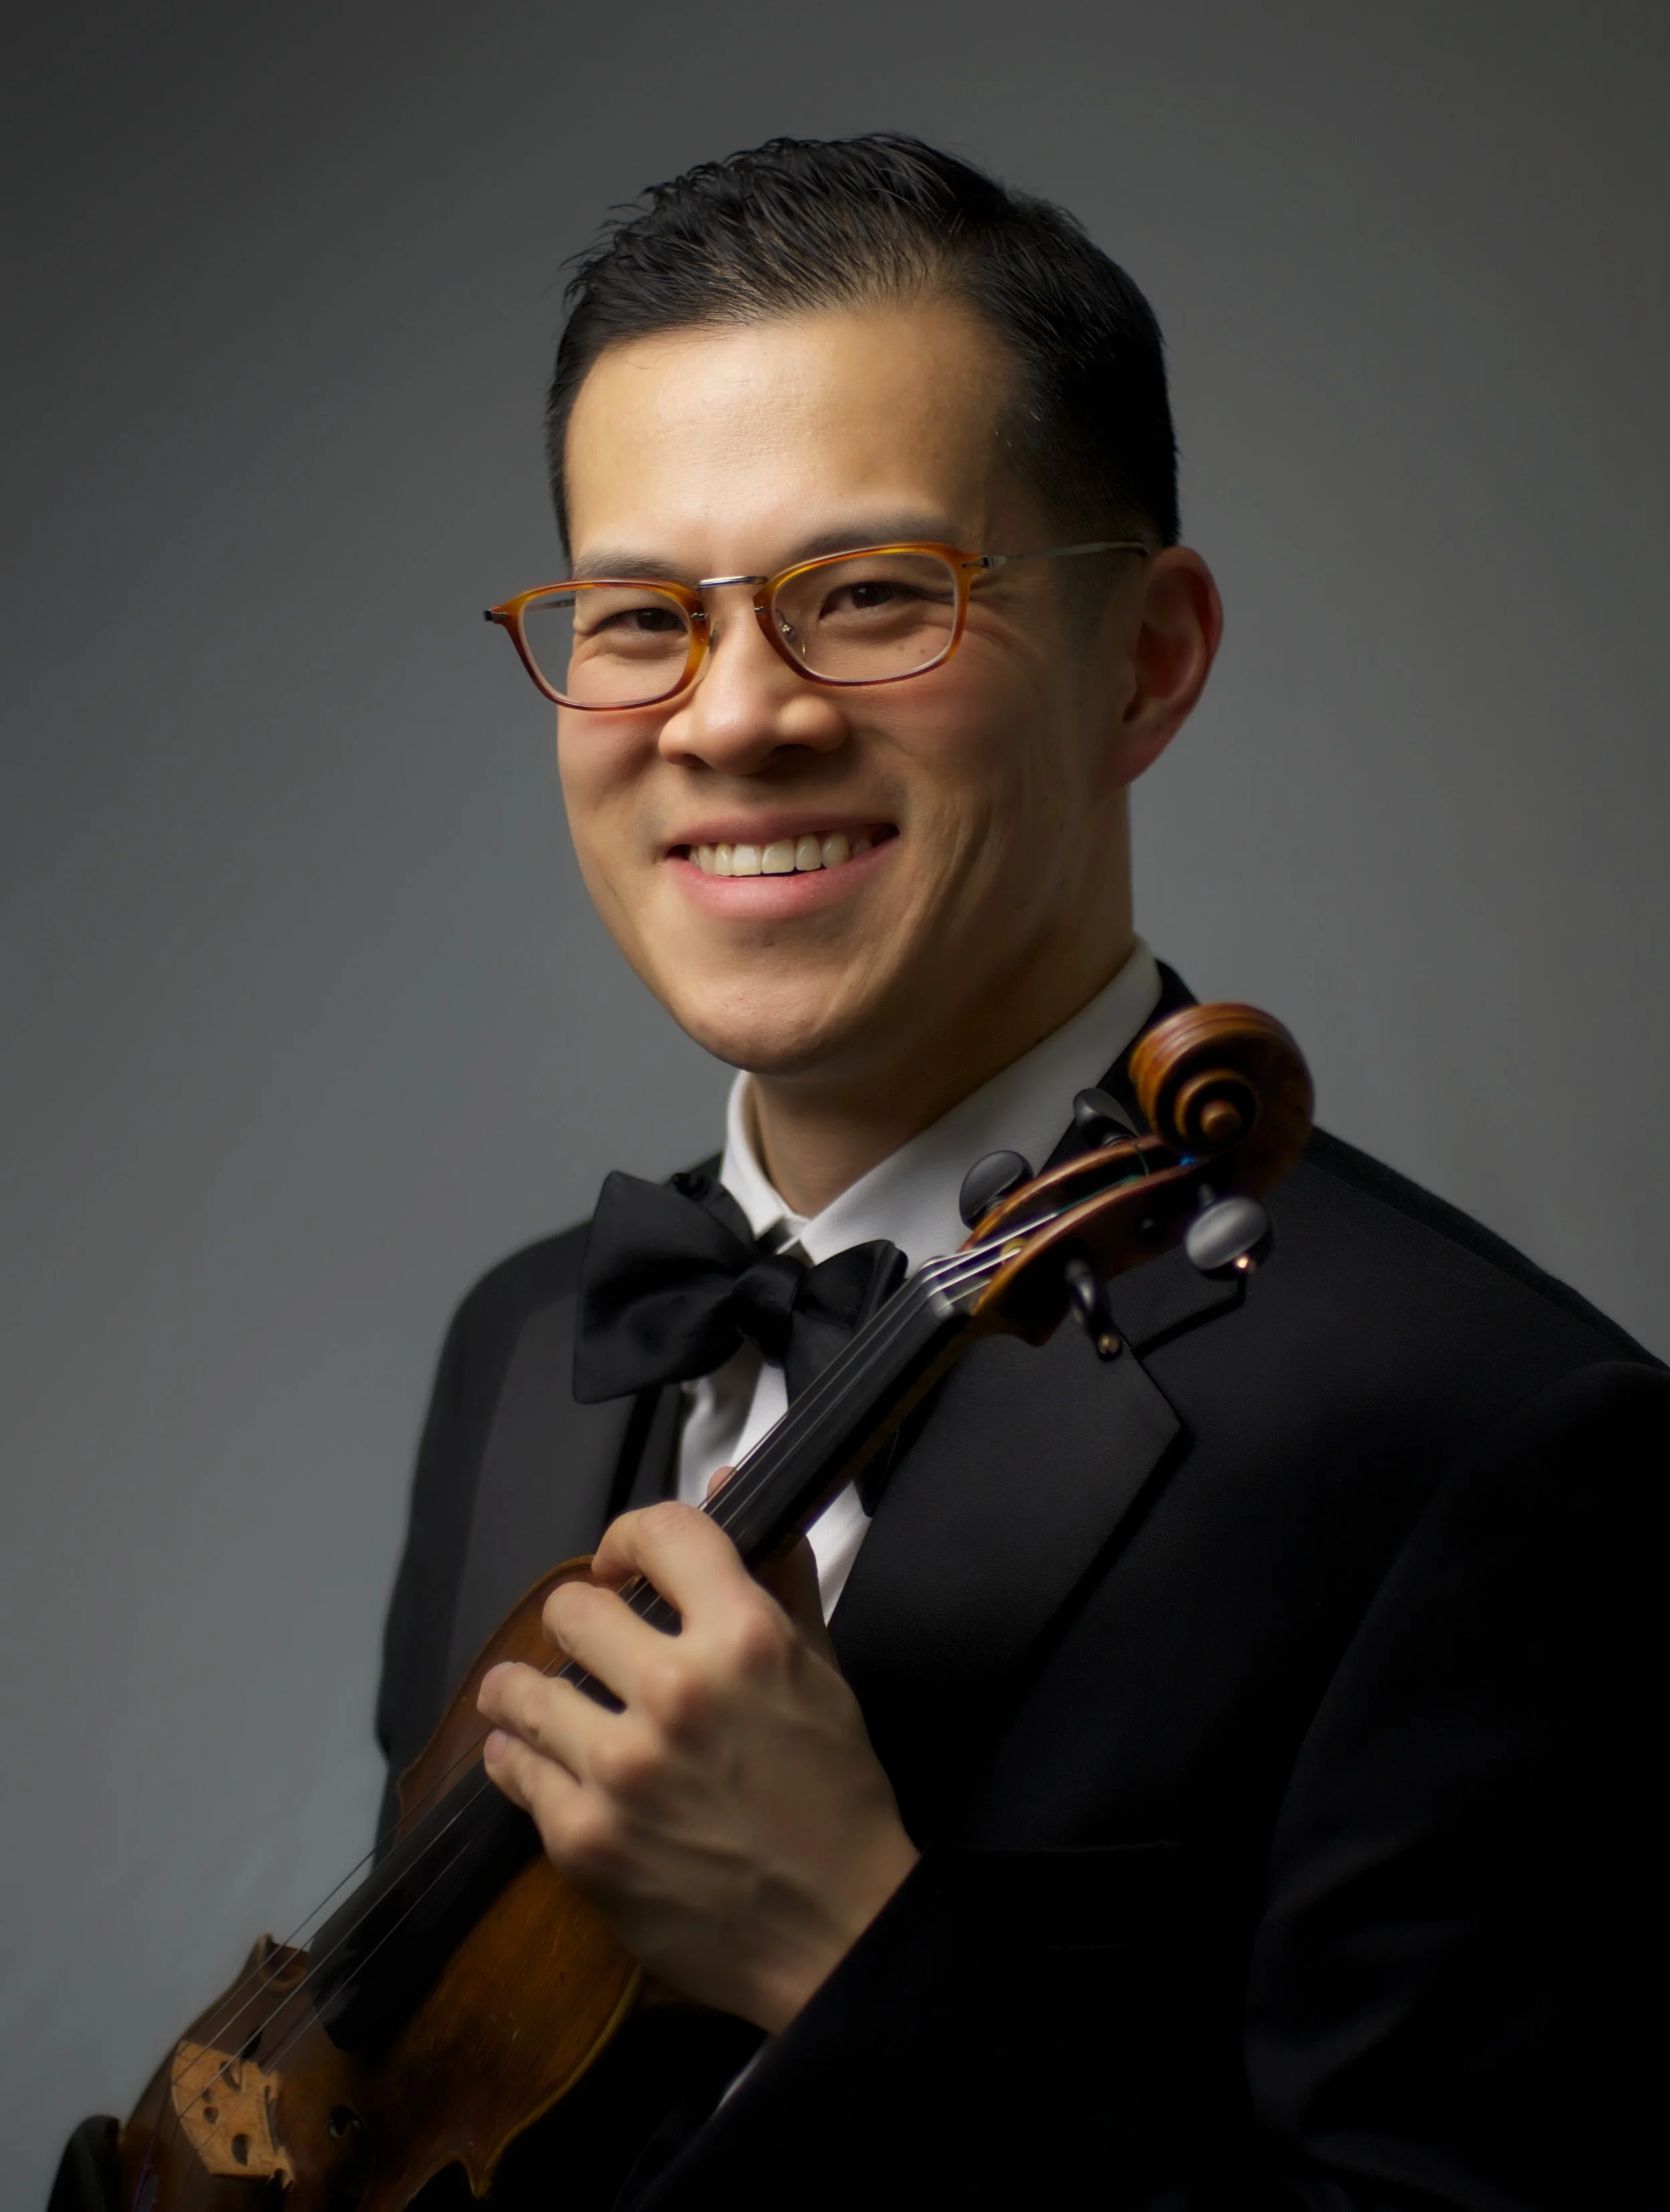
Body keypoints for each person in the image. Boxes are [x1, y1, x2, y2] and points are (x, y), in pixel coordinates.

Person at [371, 136, 1667, 2209]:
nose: (731, 718)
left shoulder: (1496, 1444)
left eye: (869, 596)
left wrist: (843, 1954)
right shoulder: (529, 1342)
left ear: (1145, 656)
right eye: (637, 618)